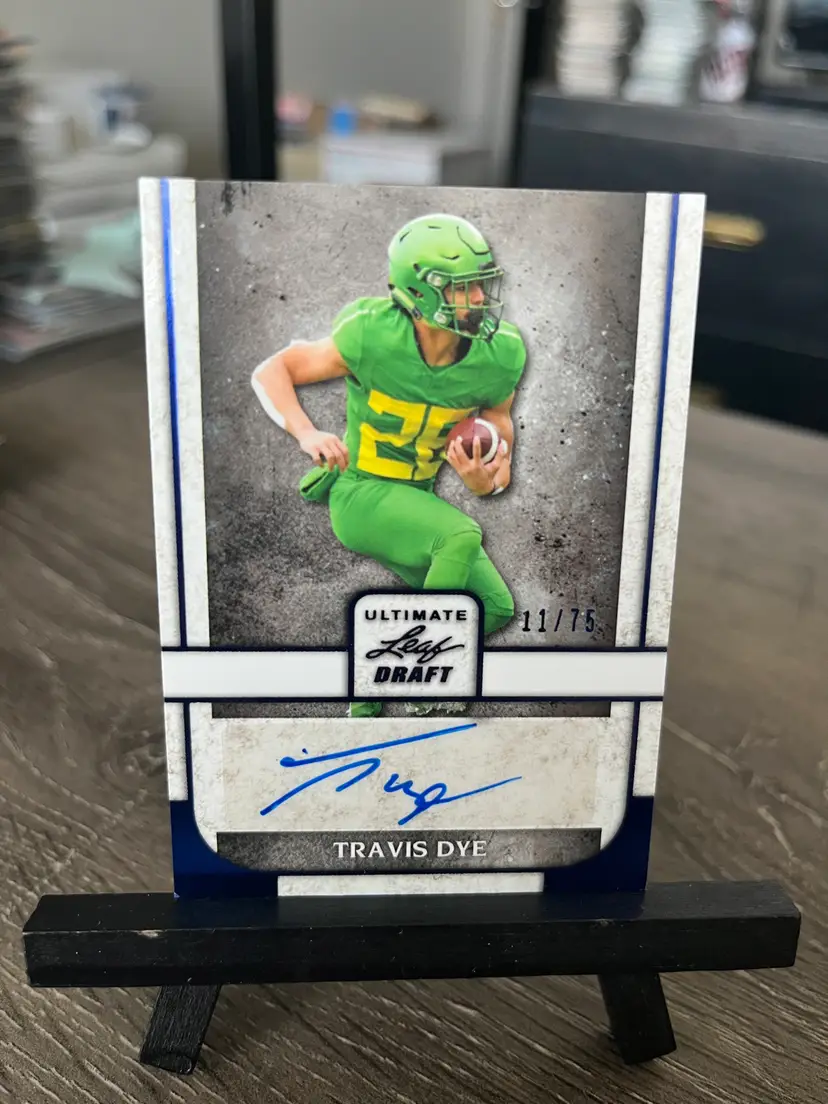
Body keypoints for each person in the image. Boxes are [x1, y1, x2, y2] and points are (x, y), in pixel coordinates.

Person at [252, 212, 527, 717]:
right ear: (419, 294)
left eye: (480, 284)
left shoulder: (499, 355)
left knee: (493, 608)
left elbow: (500, 446)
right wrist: (307, 432)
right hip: (361, 493)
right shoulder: (372, 334)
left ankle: (364, 707)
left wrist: (484, 481)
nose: (478, 299)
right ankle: (425, 686)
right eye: (460, 288)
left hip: (414, 499)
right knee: (460, 535)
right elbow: (273, 371)